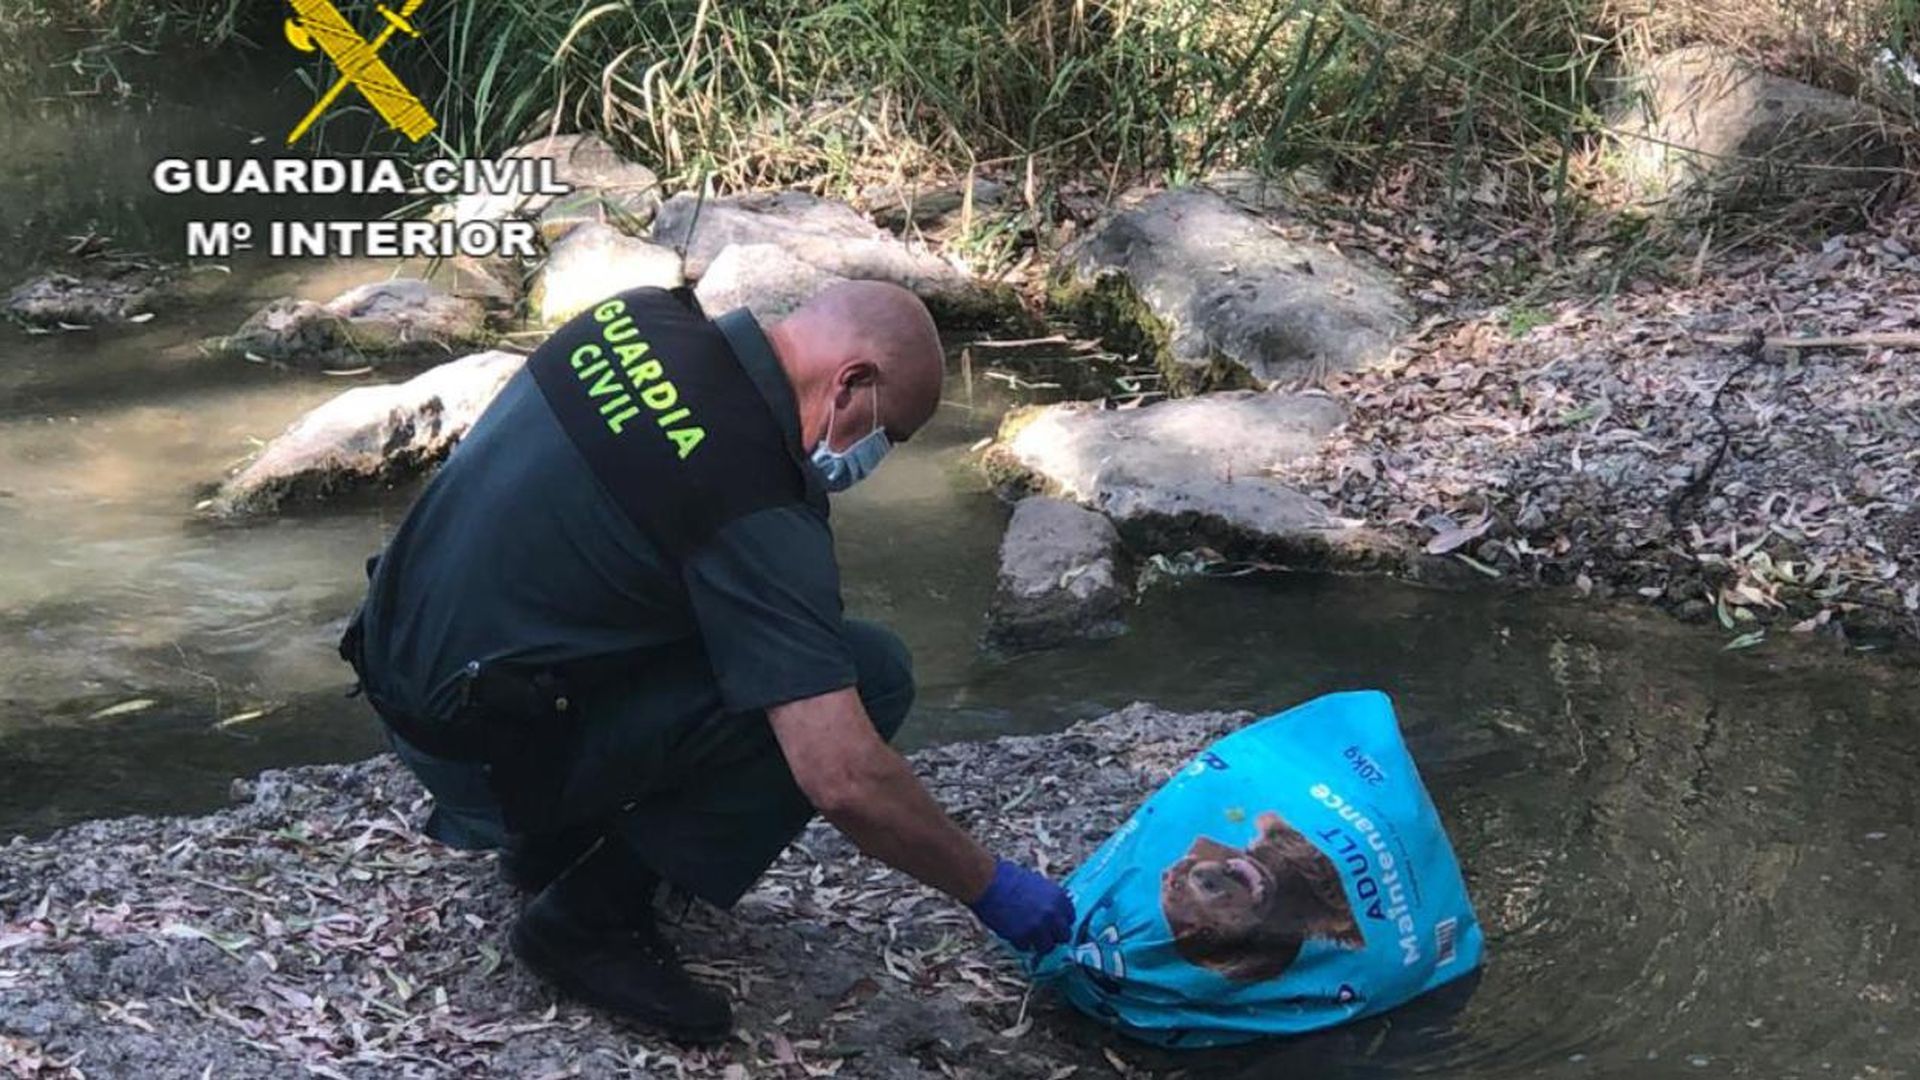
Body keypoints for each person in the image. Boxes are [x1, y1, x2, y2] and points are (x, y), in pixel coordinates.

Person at [337, 281, 1074, 1043]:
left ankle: (549, 845)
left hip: (400, 663)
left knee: (716, 614)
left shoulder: (637, 315)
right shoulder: (751, 492)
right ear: (852, 383)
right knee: (868, 670)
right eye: (891, 436)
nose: (874, 461)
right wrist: (991, 887)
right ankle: (588, 922)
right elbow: (842, 776)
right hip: (475, 755)